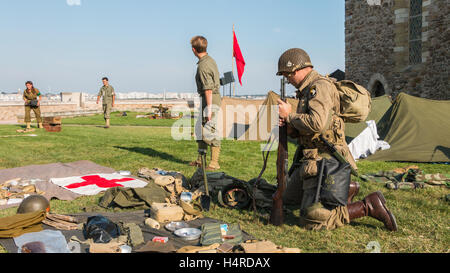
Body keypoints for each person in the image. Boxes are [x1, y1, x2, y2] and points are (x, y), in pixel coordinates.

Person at [276, 48, 397, 231]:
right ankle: (346, 189)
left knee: (312, 221)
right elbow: (310, 129)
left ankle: (368, 206)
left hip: (328, 160)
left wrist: (290, 116)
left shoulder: (319, 87)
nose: (288, 80)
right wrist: (291, 127)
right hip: (311, 158)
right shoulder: (306, 90)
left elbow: (318, 124)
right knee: (289, 200)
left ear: (297, 70)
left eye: (287, 75)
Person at [189, 36, 222, 171]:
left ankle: (214, 163)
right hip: (208, 98)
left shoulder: (204, 65)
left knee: (210, 129)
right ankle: (200, 160)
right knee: (200, 129)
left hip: (210, 99)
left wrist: (209, 109)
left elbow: (208, 89)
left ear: (193, 50)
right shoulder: (209, 60)